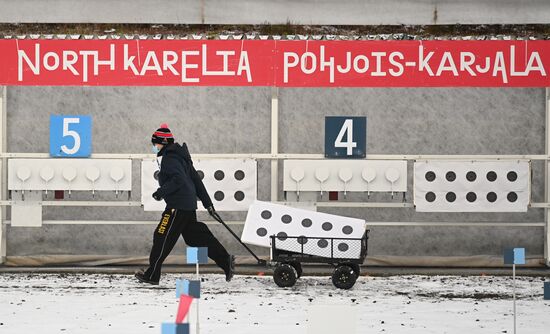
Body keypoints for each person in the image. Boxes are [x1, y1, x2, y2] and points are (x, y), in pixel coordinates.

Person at [135, 123, 235, 285]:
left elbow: (179, 180)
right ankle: (225, 260)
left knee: (162, 236)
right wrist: (208, 203)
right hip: (187, 206)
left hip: (177, 207)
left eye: (156, 143)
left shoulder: (169, 158)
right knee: (195, 236)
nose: (154, 146)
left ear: (163, 143)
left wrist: (161, 192)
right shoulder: (182, 157)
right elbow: (196, 181)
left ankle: (152, 275)